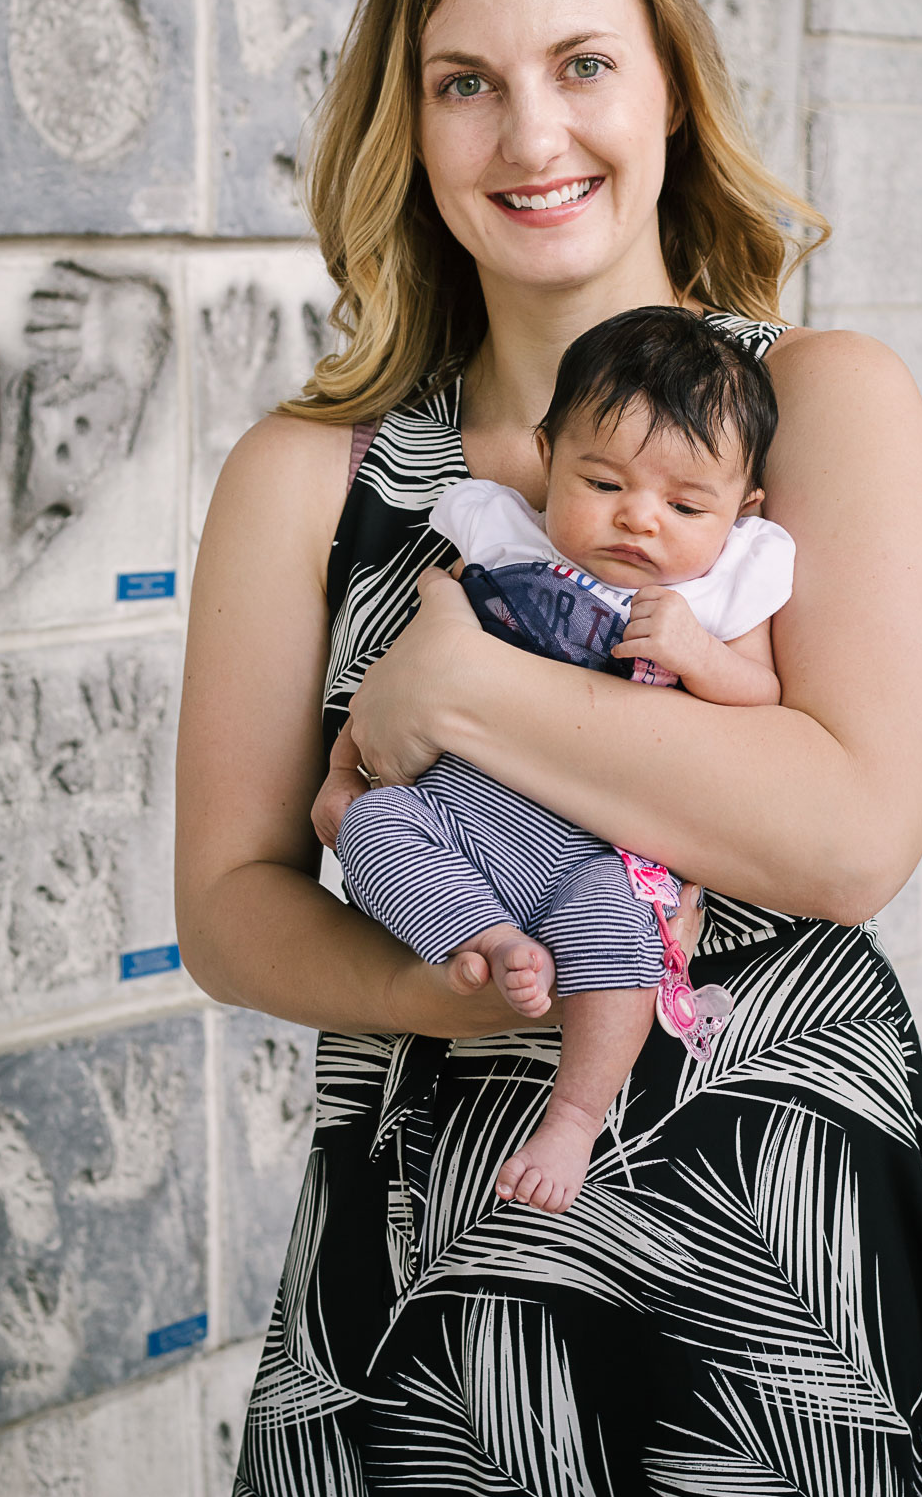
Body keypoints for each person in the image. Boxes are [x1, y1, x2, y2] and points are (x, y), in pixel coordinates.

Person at [175, 0, 922, 1497]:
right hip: (433, 1279)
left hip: (778, 1268)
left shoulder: (824, 406)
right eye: (463, 83)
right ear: (408, 129)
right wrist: (437, 989)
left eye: (580, 65)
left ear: (671, 90)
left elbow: (844, 834)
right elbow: (229, 900)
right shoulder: (308, 476)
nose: (530, 134)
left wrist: (463, 695)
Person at [316, 306, 794, 1216]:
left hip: (597, 855)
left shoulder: (723, 588)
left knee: (618, 939)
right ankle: (484, 937)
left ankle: (573, 1116)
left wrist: (700, 657)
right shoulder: (503, 540)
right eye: (601, 481)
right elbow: (409, 674)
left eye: (686, 505)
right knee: (368, 824)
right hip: (462, 811)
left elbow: (762, 698)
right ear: (544, 456)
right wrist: (353, 763)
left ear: (741, 513)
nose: (638, 520)